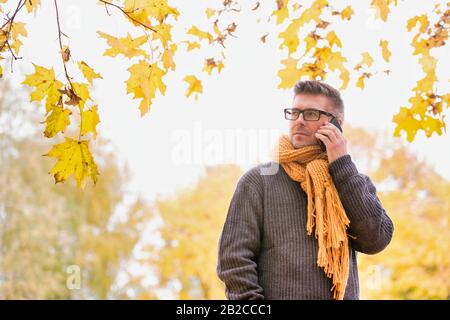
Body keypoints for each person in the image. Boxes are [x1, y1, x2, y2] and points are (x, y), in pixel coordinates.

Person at [217, 80, 394, 300]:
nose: (299, 121)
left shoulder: (352, 181)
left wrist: (342, 165)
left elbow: (376, 240)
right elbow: (234, 262)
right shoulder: (258, 181)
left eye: (310, 113)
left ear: (336, 124)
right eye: (294, 112)